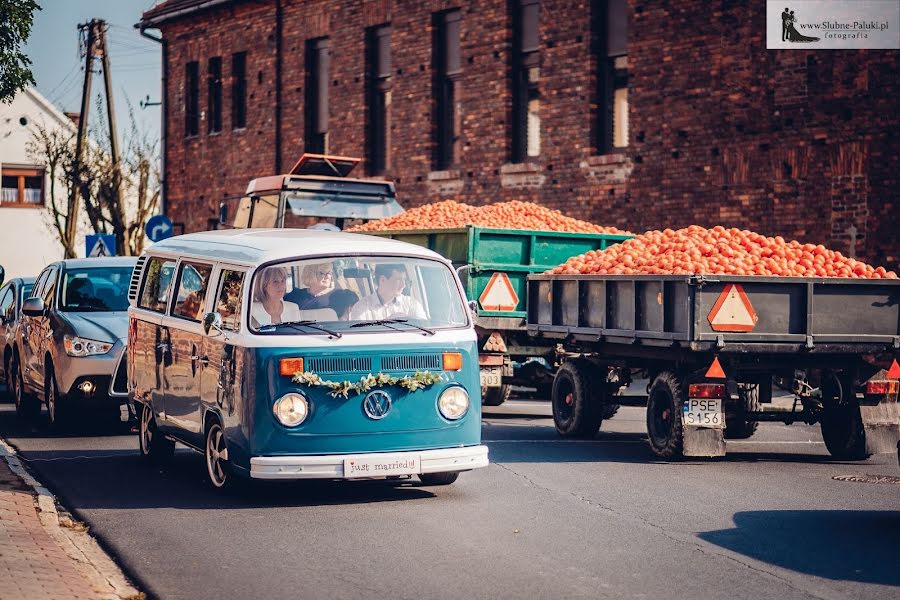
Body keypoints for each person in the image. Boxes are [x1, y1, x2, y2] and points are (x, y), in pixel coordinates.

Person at [349, 264, 426, 321]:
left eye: (404, 280)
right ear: (382, 280)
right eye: (398, 280)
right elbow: (360, 338)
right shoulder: (361, 308)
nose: (403, 285)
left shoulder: (411, 304)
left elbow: (424, 329)